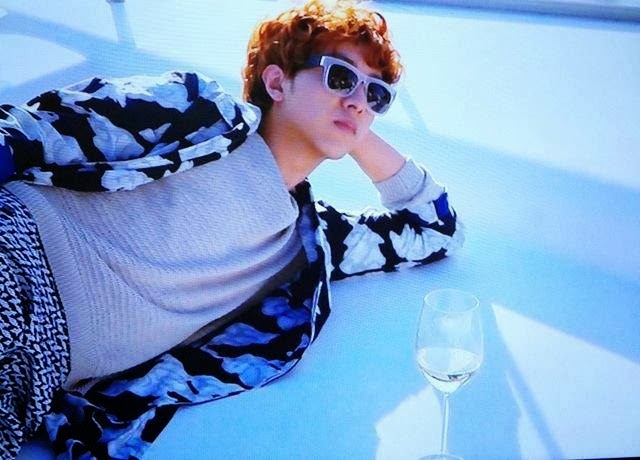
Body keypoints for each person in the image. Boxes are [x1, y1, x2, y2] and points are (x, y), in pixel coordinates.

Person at [0, 0, 463, 458]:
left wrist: (354, 126)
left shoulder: (312, 244)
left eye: (376, 95)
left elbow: (436, 229)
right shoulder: (200, 112)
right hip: (16, 258)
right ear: (277, 82)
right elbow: (28, 131)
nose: (359, 101)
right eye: (340, 77)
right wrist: (349, 113)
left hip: (38, 373)